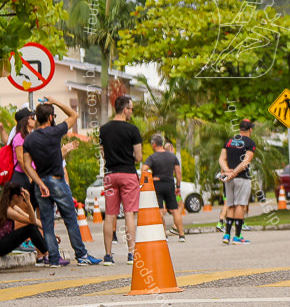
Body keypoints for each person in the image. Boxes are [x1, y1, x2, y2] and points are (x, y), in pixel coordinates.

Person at [22, 98, 102, 266]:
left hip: (40, 184)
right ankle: (81, 255)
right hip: (57, 181)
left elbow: (28, 165)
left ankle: (53, 258)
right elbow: (74, 114)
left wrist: (40, 183)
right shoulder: (55, 131)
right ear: (51, 117)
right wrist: (55, 101)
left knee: (47, 222)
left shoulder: (29, 139)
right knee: (70, 219)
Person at [98, 95, 143, 265]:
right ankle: (131, 254)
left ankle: (108, 255)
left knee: (110, 215)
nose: (132, 112)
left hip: (110, 175)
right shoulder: (133, 130)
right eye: (131, 109)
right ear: (125, 110)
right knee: (129, 213)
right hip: (128, 174)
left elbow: (103, 153)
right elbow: (138, 156)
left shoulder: (104, 129)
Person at [218, 119, 256, 245]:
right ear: (250, 129)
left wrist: (227, 171)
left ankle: (226, 235)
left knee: (231, 205)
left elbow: (221, 159)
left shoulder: (229, 141)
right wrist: (234, 173)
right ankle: (238, 236)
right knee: (240, 205)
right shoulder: (250, 142)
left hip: (228, 179)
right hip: (242, 178)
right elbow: (246, 161)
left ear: (240, 129)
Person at [141, 134, 185, 243]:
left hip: (158, 185)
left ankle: (164, 235)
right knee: (174, 210)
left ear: (154, 144)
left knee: (160, 210)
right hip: (170, 184)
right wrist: (178, 186)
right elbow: (178, 172)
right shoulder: (172, 156)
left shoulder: (152, 157)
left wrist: (152, 177)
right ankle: (181, 235)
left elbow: (143, 169)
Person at [0, 184, 48, 262]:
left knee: (31, 227)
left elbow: (34, 220)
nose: (23, 198)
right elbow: (31, 221)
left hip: (4, 243)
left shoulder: (13, 207)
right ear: (15, 196)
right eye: (22, 196)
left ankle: (47, 254)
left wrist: (50, 233)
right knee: (30, 228)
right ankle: (48, 255)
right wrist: (28, 201)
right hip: (1, 246)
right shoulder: (8, 211)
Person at [7, 108, 38, 209]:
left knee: (35, 207)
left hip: (31, 175)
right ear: (26, 120)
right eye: (32, 117)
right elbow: (20, 159)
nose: (35, 120)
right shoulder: (19, 136)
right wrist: (30, 176)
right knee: (22, 209)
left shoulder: (30, 136)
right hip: (22, 176)